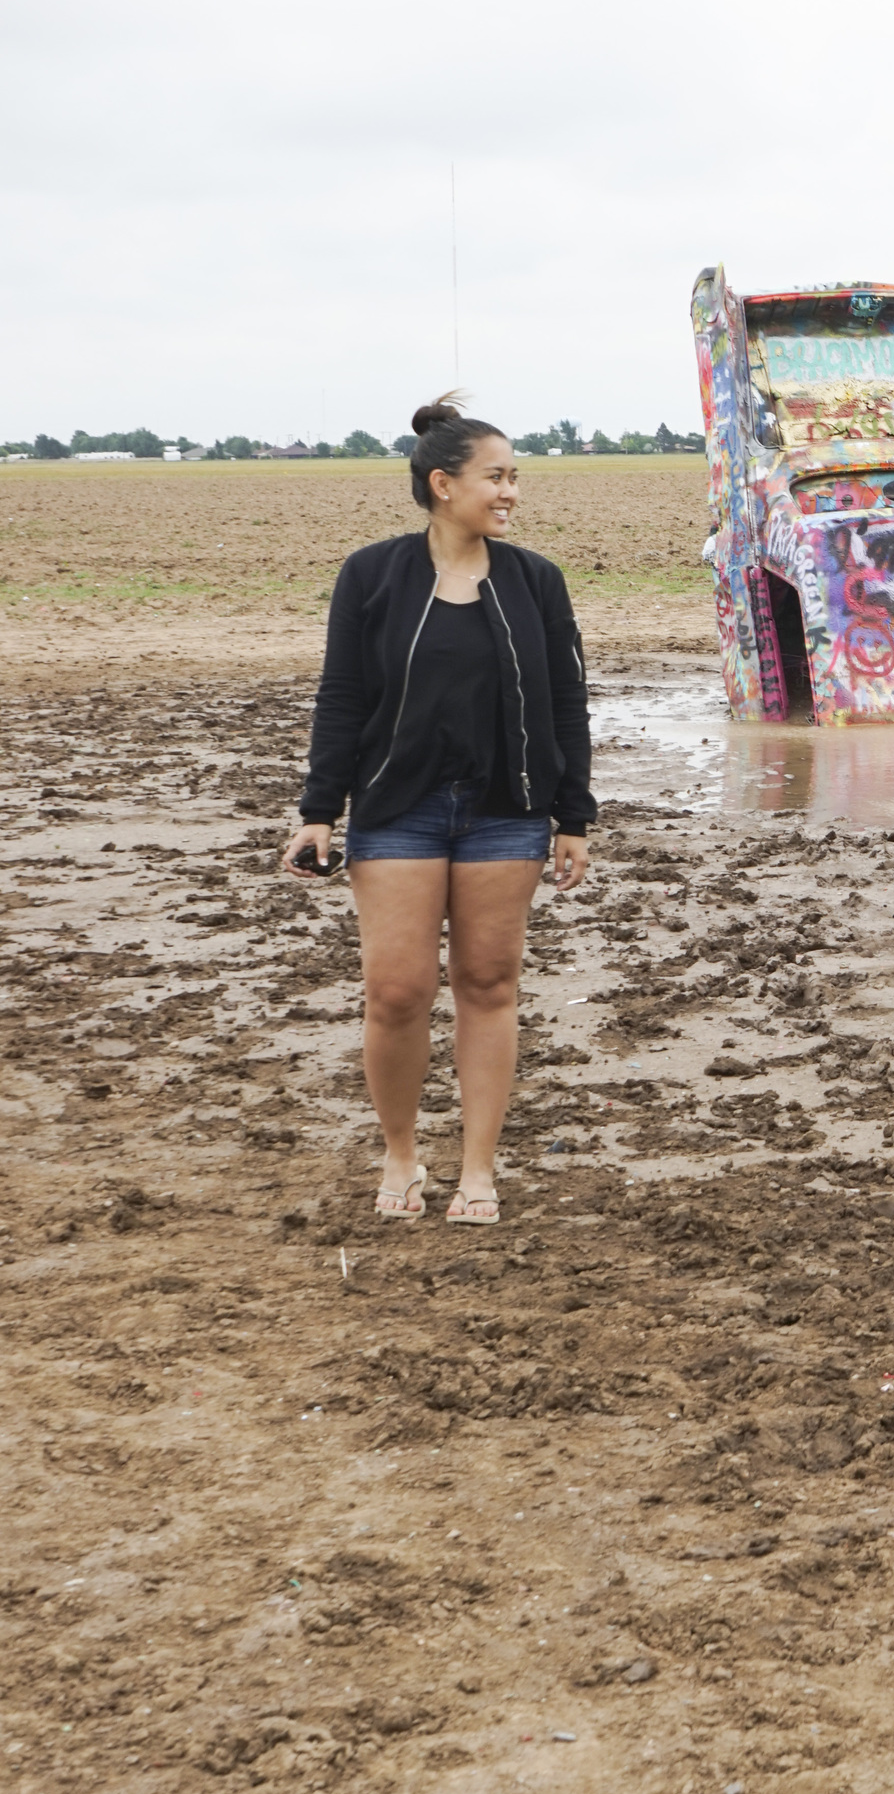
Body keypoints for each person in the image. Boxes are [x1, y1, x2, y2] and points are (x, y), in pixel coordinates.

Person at [283, 399, 595, 1225]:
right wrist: (320, 809)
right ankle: (401, 1153)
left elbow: (568, 704)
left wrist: (573, 817)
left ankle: (480, 1171)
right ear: (442, 483)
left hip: (506, 813)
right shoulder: (372, 575)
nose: (512, 493)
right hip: (398, 810)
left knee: (488, 983)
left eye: (516, 477)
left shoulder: (537, 582)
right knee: (396, 991)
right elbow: (343, 697)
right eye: (497, 477)